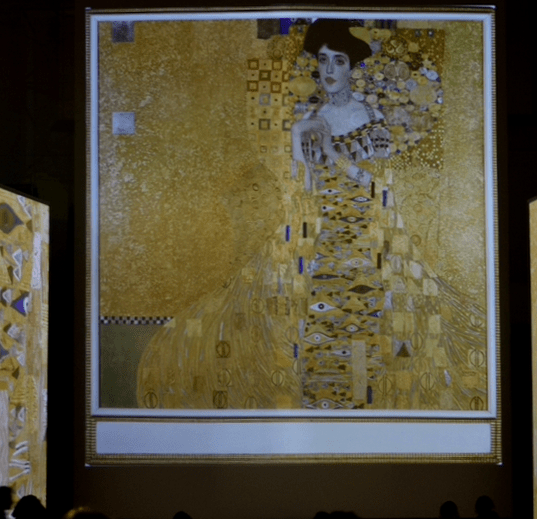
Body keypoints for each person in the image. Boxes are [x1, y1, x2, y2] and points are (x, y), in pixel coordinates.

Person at [137, 18, 486, 411]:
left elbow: (380, 188)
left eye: (339, 61)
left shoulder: (370, 118)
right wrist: (296, 137)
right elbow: (303, 188)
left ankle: (360, 409)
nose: (330, 70)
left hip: (365, 239)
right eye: (323, 60)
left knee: (363, 326)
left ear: (351, 67)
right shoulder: (311, 117)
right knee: (319, 323)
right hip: (324, 239)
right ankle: (322, 409)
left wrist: (334, 154)